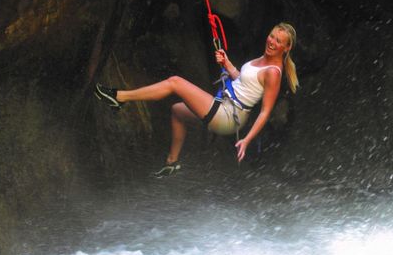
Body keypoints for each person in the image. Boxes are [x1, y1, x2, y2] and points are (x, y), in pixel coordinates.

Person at [94, 22, 298, 176]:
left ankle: (120, 98)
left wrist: (247, 140)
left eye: (278, 41)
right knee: (177, 111)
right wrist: (228, 65)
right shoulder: (263, 59)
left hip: (229, 116)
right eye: (272, 36)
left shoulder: (273, 72)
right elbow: (244, 83)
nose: (272, 41)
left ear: (286, 48)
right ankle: (171, 163)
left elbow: (265, 111)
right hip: (224, 106)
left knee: (175, 82)